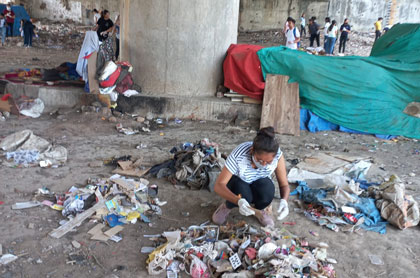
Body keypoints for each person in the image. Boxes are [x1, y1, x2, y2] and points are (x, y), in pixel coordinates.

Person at [212, 127, 291, 227]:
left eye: (268, 162)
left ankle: (259, 211)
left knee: (268, 190)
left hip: (258, 182)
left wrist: (284, 201)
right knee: (244, 194)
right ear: (252, 150)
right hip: (238, 183)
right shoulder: (239, 154)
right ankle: (228, 205)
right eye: (260, 160)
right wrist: (238, 201)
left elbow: (284, 184)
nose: (263, 164)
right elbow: (219, 185)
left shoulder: (277, 155)